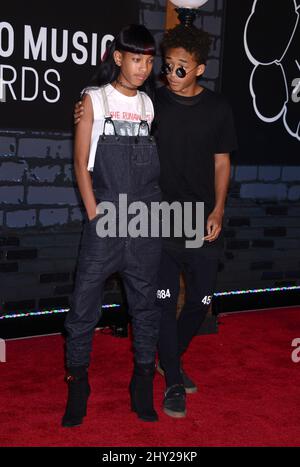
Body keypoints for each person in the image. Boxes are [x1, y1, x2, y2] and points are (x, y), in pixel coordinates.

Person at [74, 24, 237, 419]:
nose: (168, 73)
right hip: (155, 220)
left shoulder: (216, 108)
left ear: (199, 69)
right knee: (153, 304)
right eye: (166, 65)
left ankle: (169, 361)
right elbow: (104, 112)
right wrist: (84, 108)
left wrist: (217, 209)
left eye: (181, 67)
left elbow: (222, 162)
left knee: (201, 300)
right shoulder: (151, 101)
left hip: (196, 221)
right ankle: (169, 382)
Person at [62, 24, 162, 428]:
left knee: (146, 308)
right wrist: (93, 214)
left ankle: (141, 386)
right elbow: (80, 163)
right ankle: (78, 386)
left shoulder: (148, 107)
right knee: (83, 308)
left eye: (149, 60)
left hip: (145, 219)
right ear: (118, 58)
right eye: (136, 59)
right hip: (105, 217)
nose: (143, 68)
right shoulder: (93, 100)